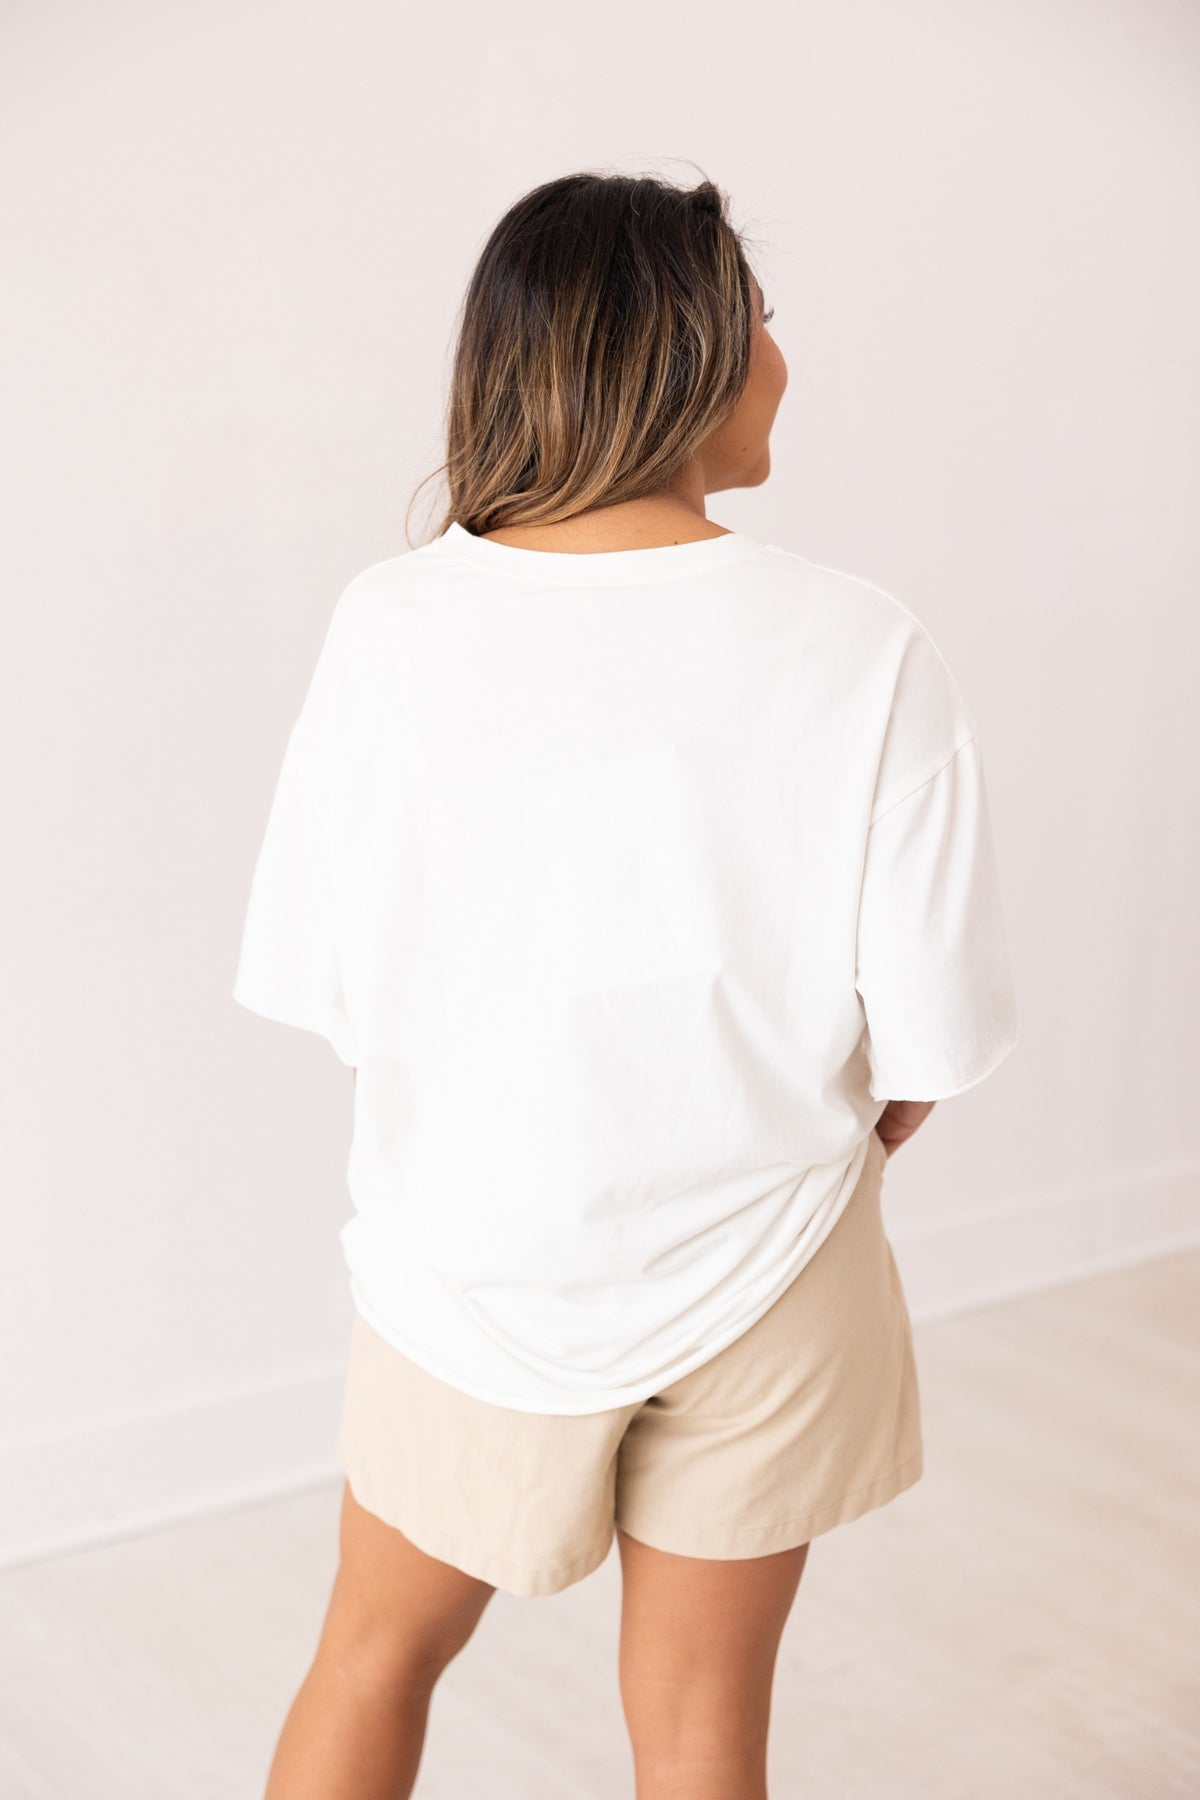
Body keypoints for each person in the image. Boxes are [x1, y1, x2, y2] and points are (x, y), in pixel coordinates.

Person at [232, 167, 1019, 1800]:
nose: (784, 359)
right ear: (686, 351)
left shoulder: (392, 624)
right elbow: (930, 1041)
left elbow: (326, 981)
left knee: (372, 1656)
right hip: (775, 1264)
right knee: (705, 1729)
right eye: (763, 321)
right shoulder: (860, 642)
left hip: (475, 1269)